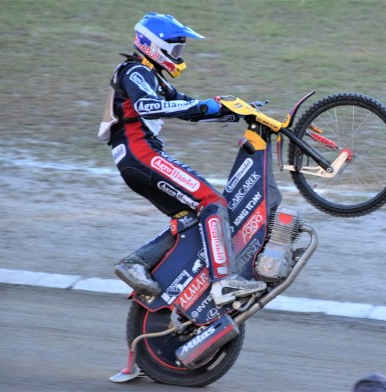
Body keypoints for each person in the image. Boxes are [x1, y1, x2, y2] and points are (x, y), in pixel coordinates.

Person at [98, 12, 266, 305]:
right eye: (175, 48)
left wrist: (236, 111)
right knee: (212, 202)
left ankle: (136, 262)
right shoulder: (136, 72)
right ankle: (224, 282)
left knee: (188, 218)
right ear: (154, 45)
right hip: (142, 154)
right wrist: (204, 107)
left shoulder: (154, 80)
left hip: (134, 160)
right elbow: (149, 107)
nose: (178, 55)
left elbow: (189, 109)